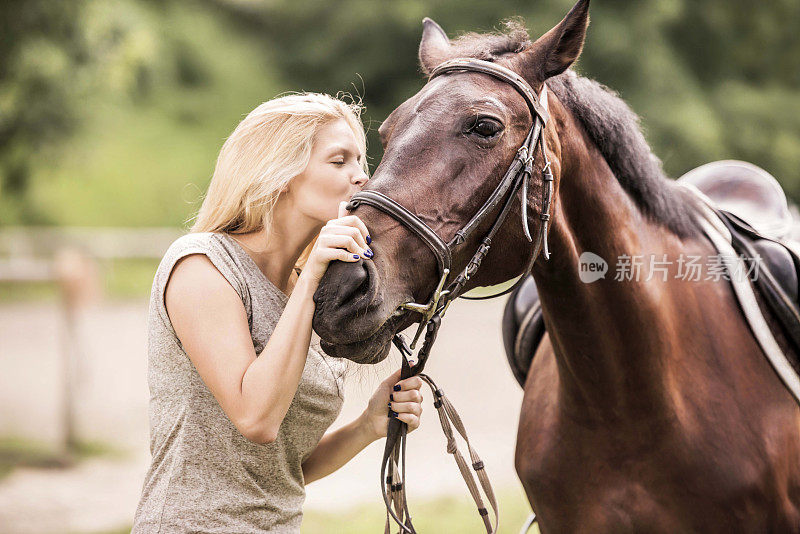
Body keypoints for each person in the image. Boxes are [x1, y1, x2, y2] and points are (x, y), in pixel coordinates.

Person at [132, 92, 424, 533]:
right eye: (339, 160)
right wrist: (309, 282)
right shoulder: (202, 265)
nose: (362, 176)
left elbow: (280, 471)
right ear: (282, 171)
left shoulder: (310, 292)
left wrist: (368, 425)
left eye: (362, 160)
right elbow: (256, 418)